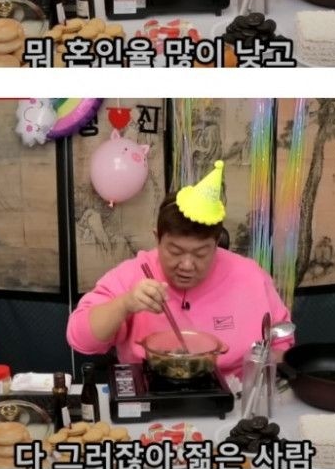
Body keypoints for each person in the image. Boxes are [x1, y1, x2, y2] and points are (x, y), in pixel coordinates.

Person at [66, 152, 296, 393]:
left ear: (216, 243)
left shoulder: (251, 276)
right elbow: (80, 338)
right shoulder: (134, 274)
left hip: (236, 398)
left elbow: (281, 342)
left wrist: (263, 381)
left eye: (200, 253)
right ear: (157, 238)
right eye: (175, 251)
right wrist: (125, 304)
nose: (187, 264)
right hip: (151, 394)